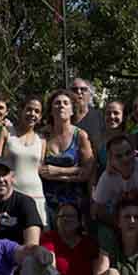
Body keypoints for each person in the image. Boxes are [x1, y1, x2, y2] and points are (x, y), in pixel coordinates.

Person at [40, 89, 94, 224]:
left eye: (66, 103)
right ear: (51, 110)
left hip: (75, 202)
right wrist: (73, 172)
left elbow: (87, 171)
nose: (61, 106)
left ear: (72, 110)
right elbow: (41, 170)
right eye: (57, 103)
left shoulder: (80, 135)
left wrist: (56, 171)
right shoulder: (43, 135)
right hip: (47, 201)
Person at [0, 95, 47, 224]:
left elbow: (40, 169)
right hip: (11, 195)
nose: (32, 114)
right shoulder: (6, 132)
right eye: (29, 109)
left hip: (36, 195)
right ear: (21, 110)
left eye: (37, 111)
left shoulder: (42, 140)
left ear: (40, 117)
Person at [90, 135, 138, 229]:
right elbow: (96, 210)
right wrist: (120, 226)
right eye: (119, 156)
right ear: (110, 159)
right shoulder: (107, 177)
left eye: (128, 153)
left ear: (134, 152)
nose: (125, 159)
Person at [0, 157, 44, 246]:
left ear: (12, 176)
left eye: (4, 174)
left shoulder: (26, 203)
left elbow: (32, 245)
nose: (0, 179)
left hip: (18, 256)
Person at [70, 78, 105, 149]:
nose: (79, 92)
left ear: (90, 94)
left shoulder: (100, 116)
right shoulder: (64, 117)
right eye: (74, 89)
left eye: (83, 89)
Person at [95, 100, 127, 173]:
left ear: (123, 116)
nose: (112, 116)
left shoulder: (131, 138)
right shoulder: (98, 139)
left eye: (116, 113)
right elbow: (94, 167)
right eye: (108, 113)